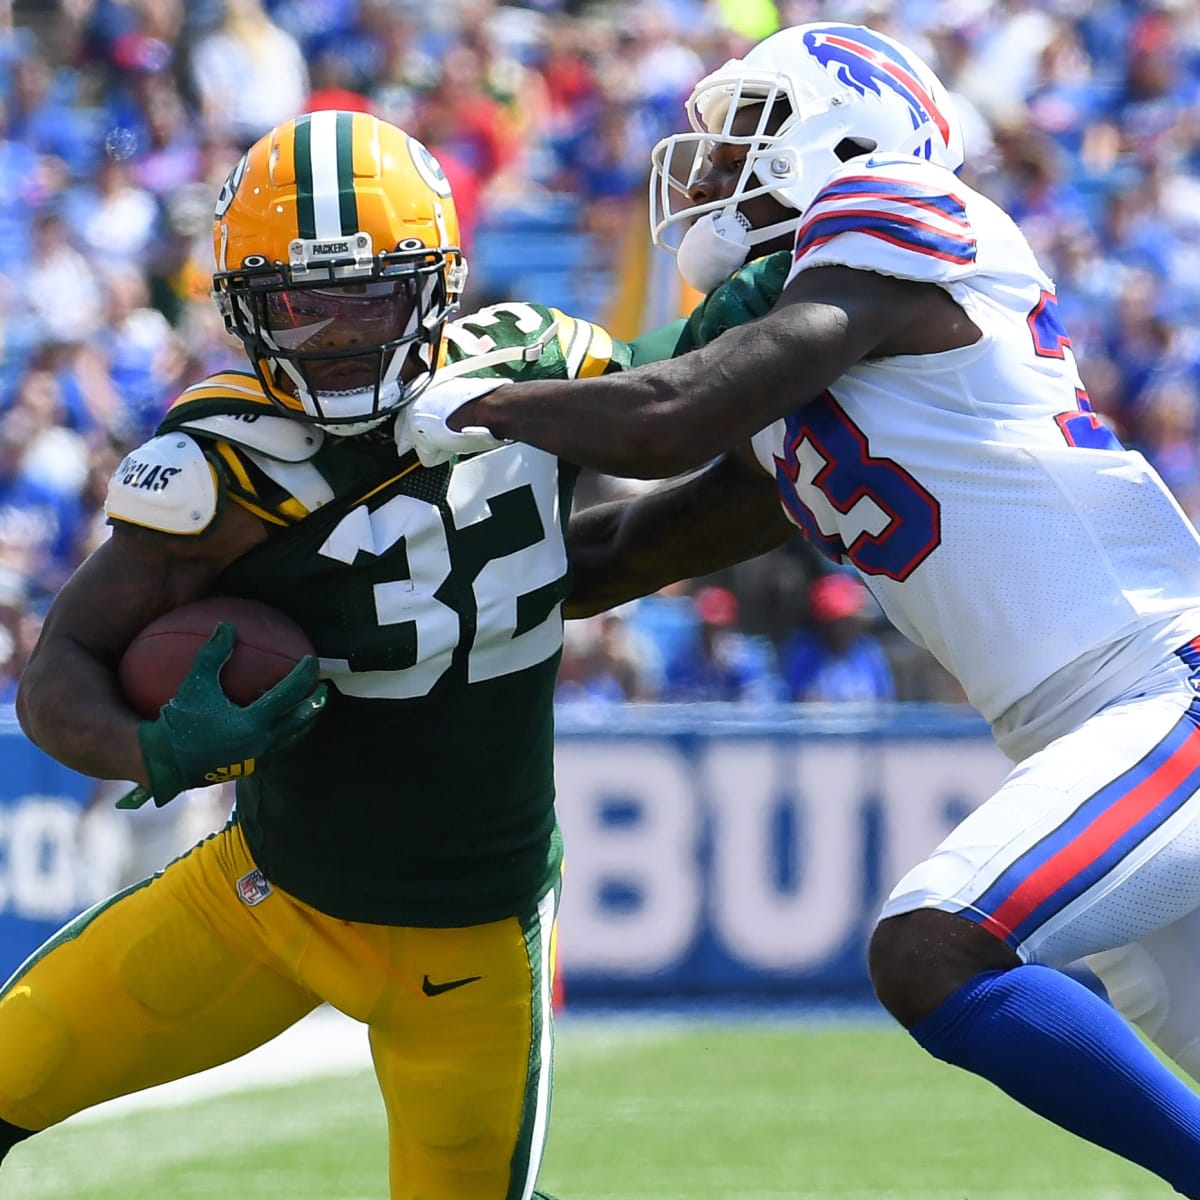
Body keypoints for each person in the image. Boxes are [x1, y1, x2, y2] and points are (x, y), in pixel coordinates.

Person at [405, 22, 1200, 1196]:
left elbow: (668, 415)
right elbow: (622, 548)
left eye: (747, 135)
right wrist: (383, 597)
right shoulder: (799, 384)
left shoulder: (901, 213)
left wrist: (484, 402)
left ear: (847, 138)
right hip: (1096, 727)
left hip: (1163, 686)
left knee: (936, 944)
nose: (714, 167)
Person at [3, 110, 785, 1197]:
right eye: (300, 306)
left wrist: (799, 289)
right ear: (243, 310)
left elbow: (681, 377)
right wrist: (157, 749)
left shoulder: (531, 368)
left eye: (369, 296)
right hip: (265, 898)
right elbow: (60, 671)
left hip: (470, 938)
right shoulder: (221, 469)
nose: (337, 335)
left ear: (437, 283)